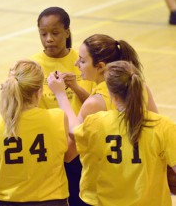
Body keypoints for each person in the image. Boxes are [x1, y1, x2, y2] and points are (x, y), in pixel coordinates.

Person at [48, 34, 158, 205]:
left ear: (100, 66)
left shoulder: (94, 103)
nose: (77, 64)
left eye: (82, 61)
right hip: (142, 188)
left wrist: (60, 94)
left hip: (105, 194)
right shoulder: (140, 87)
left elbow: (70, 153)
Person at [69, 61, 176, 205]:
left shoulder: (97, 122)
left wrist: (60, 96)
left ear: (112, 94)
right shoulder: (163, 125)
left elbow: (73, 132)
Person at [0, 60, 76, 206]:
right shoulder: (58, 117)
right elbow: (68, 155)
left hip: (7, 201)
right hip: (52, 201)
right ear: (39, 92)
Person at [30, 6, 95, 206]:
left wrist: (75, 87)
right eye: (43, 34)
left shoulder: (82, 61)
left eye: (55, 33)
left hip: (79, 145)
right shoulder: (32, 65)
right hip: (45, 147)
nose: (49, 38)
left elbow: (97, 104)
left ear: (67, 32)